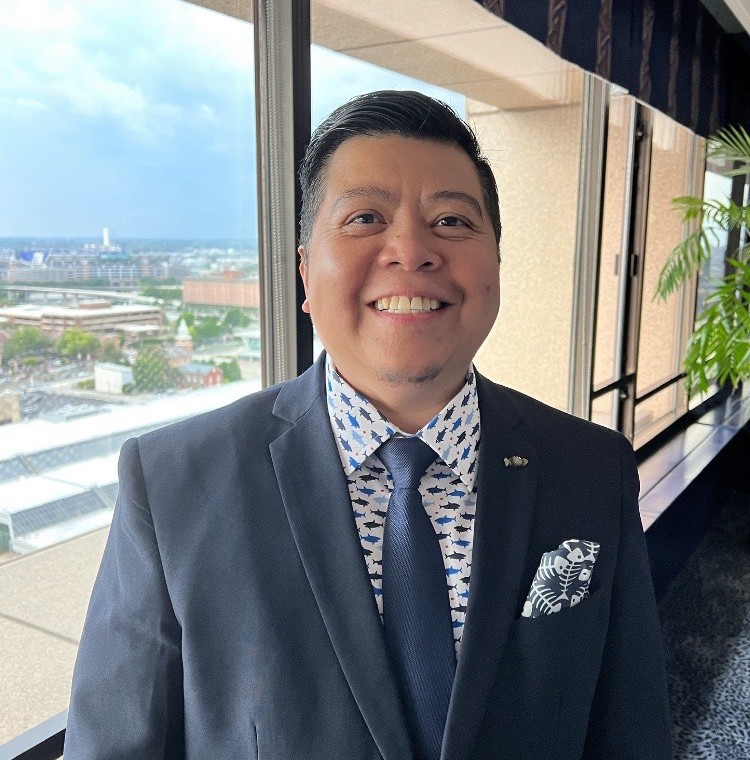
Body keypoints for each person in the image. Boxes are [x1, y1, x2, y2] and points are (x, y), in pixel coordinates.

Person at [65, 90, 672, 760]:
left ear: (496, 263)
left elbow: (631, 731)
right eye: (364, 218)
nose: (410, 250)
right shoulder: (175, 482)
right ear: (304, 270)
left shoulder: (591, 468)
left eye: (450, 221)